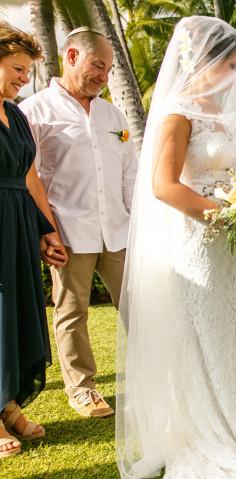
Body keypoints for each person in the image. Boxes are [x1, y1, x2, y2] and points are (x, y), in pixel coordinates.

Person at [117, 17, 236, 478]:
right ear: (205, 61)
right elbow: (164, 186)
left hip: (233, 245)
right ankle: (213, 431)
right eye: (230, 65)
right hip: (200, 239)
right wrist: (231, 216)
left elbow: (233, 179)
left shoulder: (221, 116)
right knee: (207, 335)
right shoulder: (178, 111)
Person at [19, 27, 136, 418]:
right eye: (98, 66)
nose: (104, 76)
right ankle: (82, 388)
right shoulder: (35, 110)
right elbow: (26, 174)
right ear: (71, 57)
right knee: (72, 313)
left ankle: (155, 374)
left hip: (118, 230)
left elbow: (128, 173)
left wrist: (138, 222)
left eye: (109, 69)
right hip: (68, 231)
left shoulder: (112, 113)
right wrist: (43, 230)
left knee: (140, 305)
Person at [0, 21, 67, 459]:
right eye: (18, 69)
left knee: (16, 312)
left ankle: (7, 404)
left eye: (28, 72)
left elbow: (29, 175)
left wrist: (47, 229)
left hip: (19, 220)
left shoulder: (18, 114)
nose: (25, 78)